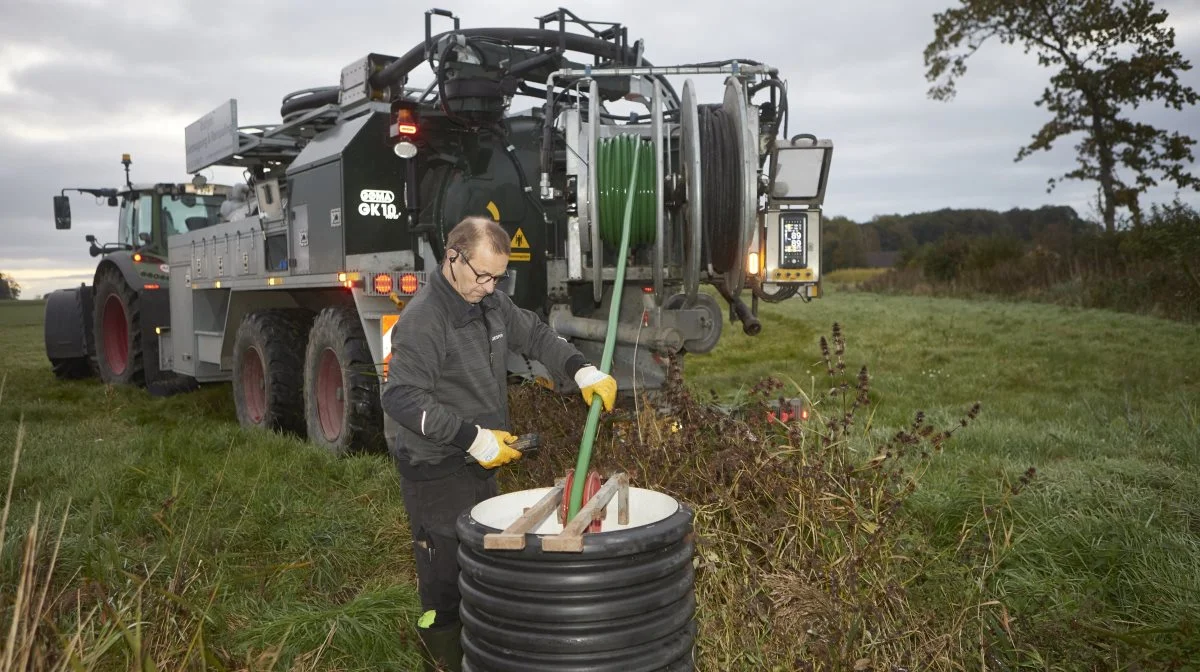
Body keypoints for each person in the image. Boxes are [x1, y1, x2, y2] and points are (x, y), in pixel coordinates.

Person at [380, 215, 617, 671]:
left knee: (483, 571)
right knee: (444, 581)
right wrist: (471, 438)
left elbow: (537, 335)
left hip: (482, 463)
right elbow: (401, 397)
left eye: (497, 277)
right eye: (482, 275)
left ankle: (484, 655)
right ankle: (443, 659)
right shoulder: (424, 321)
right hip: (435, 469)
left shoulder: (492, 305)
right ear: (453, 257)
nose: (489, 287)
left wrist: (579, 369)